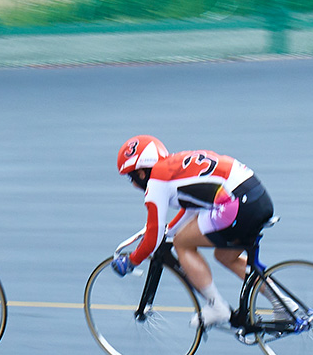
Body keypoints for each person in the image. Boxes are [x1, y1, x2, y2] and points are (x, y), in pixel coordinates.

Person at [112, 135, 274, 330]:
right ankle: (285, 305)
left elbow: (153, 239)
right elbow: (193, 207)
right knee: (224, 256)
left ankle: (216, 306)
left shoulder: (156, 181)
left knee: (182, 243)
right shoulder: (175, 165)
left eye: (131, 177)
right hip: (257, 198)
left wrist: (131, 261)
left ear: (140, 173)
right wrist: (168, 230)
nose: (133, 185)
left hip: (237, 205)